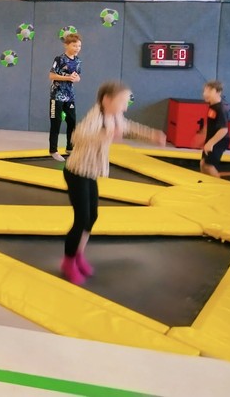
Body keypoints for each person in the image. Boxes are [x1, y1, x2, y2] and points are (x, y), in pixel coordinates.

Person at [61, 81, 166, 284]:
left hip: (90, 172)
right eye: (122, 102)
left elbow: (130, 127)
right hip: (76, 173)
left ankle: (78, 254)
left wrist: (151, 135)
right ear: (106, 100)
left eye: (127, 102)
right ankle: (68, 261)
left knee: (92, 217)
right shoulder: (95, 117)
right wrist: (103, 134)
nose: (125, 107)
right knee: (81, 220)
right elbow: (77, 136)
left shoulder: (115, 116)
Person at [48, 33, 82, 161]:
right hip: (57, 95)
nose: (77, 48)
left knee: (72, 122)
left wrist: (76, 78)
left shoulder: (78, 61)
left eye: (79, 46)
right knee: (56, 122)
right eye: (74, 45)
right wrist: (67, 77)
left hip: (70, 96)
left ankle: (70, 147)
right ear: (66, 45)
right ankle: (53, 150)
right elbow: (51, 75)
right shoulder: (59, 59)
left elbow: (78, 77)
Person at [200, 80, 230, 178]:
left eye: (209, 91)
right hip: (212, 138)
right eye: (205, 91)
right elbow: (212, 122)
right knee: (203, 164)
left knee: (208, 166)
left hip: (219, 140)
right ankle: (205, 183)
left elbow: (223, 130)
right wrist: (203, 134)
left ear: (218, 92)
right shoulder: (212, 106)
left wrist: (210, 143)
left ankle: (218, 185)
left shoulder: (220, 109)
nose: (205, 94)